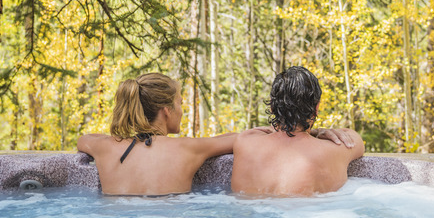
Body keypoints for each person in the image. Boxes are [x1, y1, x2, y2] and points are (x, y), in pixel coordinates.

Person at [77, 72, 352, 196]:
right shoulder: (188, 149)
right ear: (166, 111)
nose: (183, 110)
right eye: (181, 104)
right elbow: (244, 137)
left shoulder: (103, 147)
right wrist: (312, 129)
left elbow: (83, 140)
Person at [231, 66, 365, 196]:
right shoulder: (334, 151)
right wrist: (317, 132)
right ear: (316, 107)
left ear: (272, 106)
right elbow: (356, 141)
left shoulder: (245, 142)